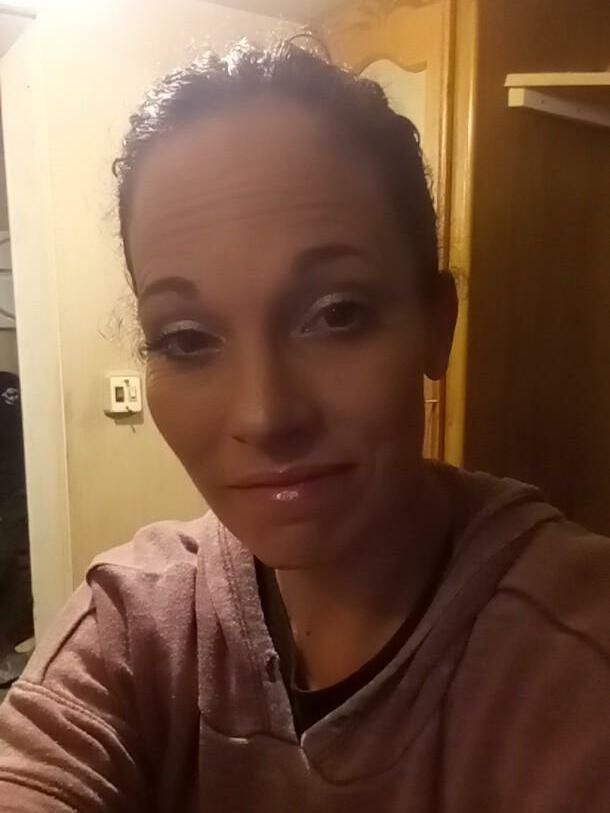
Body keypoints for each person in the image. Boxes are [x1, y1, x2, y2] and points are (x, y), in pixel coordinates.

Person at [0, 41, 608, 812]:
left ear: (436, 325)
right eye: (186, 339)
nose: (265, 415)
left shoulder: (574, 655)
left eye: (336, 314)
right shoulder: (136, 624)